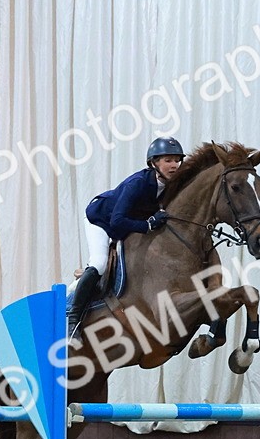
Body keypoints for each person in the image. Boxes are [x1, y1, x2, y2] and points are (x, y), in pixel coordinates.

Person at [67, 137, 185, 333]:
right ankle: (73, 320)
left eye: (177, 160)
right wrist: (147, 225)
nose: (174, 165)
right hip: (101, 220)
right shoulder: (137, 184)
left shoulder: (171, 186)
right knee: (99, 263)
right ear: (154, 163)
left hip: (126, 225)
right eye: (168, 160)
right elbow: (117, 221)